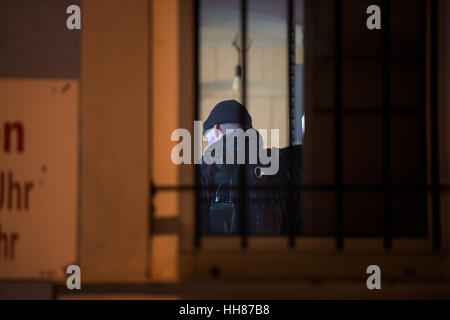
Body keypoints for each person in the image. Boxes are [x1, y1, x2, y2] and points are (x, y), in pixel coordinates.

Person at [198, 99, 302, 235]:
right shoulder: (282, 161)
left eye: (210, 139)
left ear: (216, 128)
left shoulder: (202, 170)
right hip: (274, 254)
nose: (210, 144)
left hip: (219, 254)